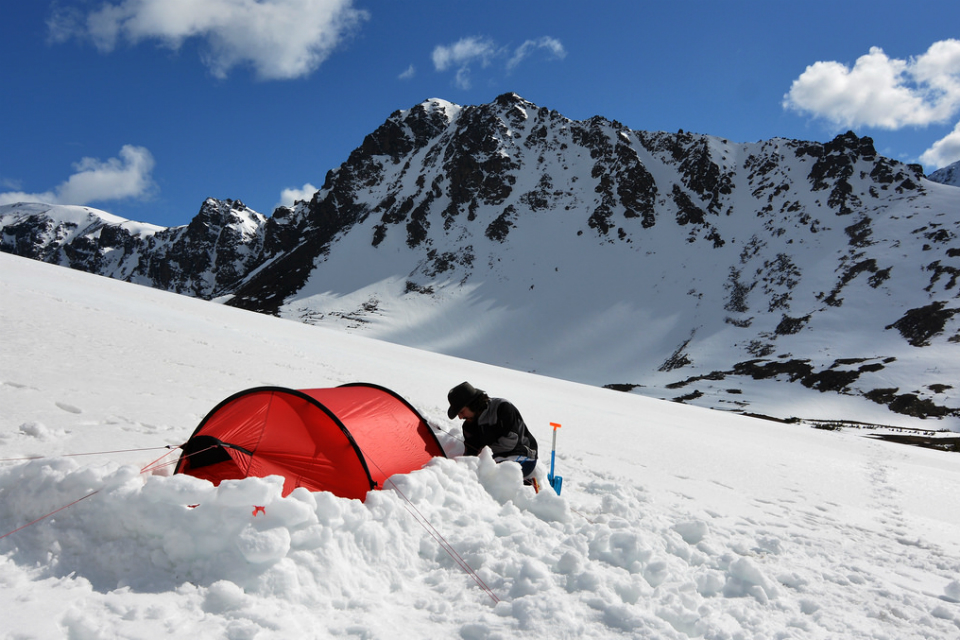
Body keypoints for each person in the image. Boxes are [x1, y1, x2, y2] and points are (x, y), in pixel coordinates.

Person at [446, 381, 539, 487]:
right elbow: (470, 453)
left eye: (462, 412)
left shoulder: (502, 408)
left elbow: (510, 442)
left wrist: (485, 451)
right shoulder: (468, 426)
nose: (460, 417)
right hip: (495, 458)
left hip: (523, 455)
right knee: (478, 474)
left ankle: (528, 486)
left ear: (472, 404)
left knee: (495, 475)